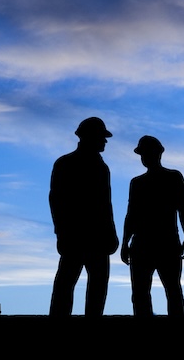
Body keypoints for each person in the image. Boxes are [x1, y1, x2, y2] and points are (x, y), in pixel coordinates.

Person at [49, 117, 119, 316]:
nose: (105, 141)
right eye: (102, 137)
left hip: (92, 237)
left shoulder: (98, 167)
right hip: (79, 236)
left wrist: (111, 235)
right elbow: (57, 201)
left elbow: (105, 206)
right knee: (67, 284)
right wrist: (61, 232)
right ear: (90, 137)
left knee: (91, 286)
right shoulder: (68, 164)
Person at [121, 135, 184, 317]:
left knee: (172, 291)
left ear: (157, 154)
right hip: (144, 245)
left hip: (165, 243)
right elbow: (131, 215)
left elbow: (183, 210)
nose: (144, 158)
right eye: (142, 154)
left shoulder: (173, 177)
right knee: (141, 293)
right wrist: (124, 243)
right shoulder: (136, 183)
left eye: (146, 153)